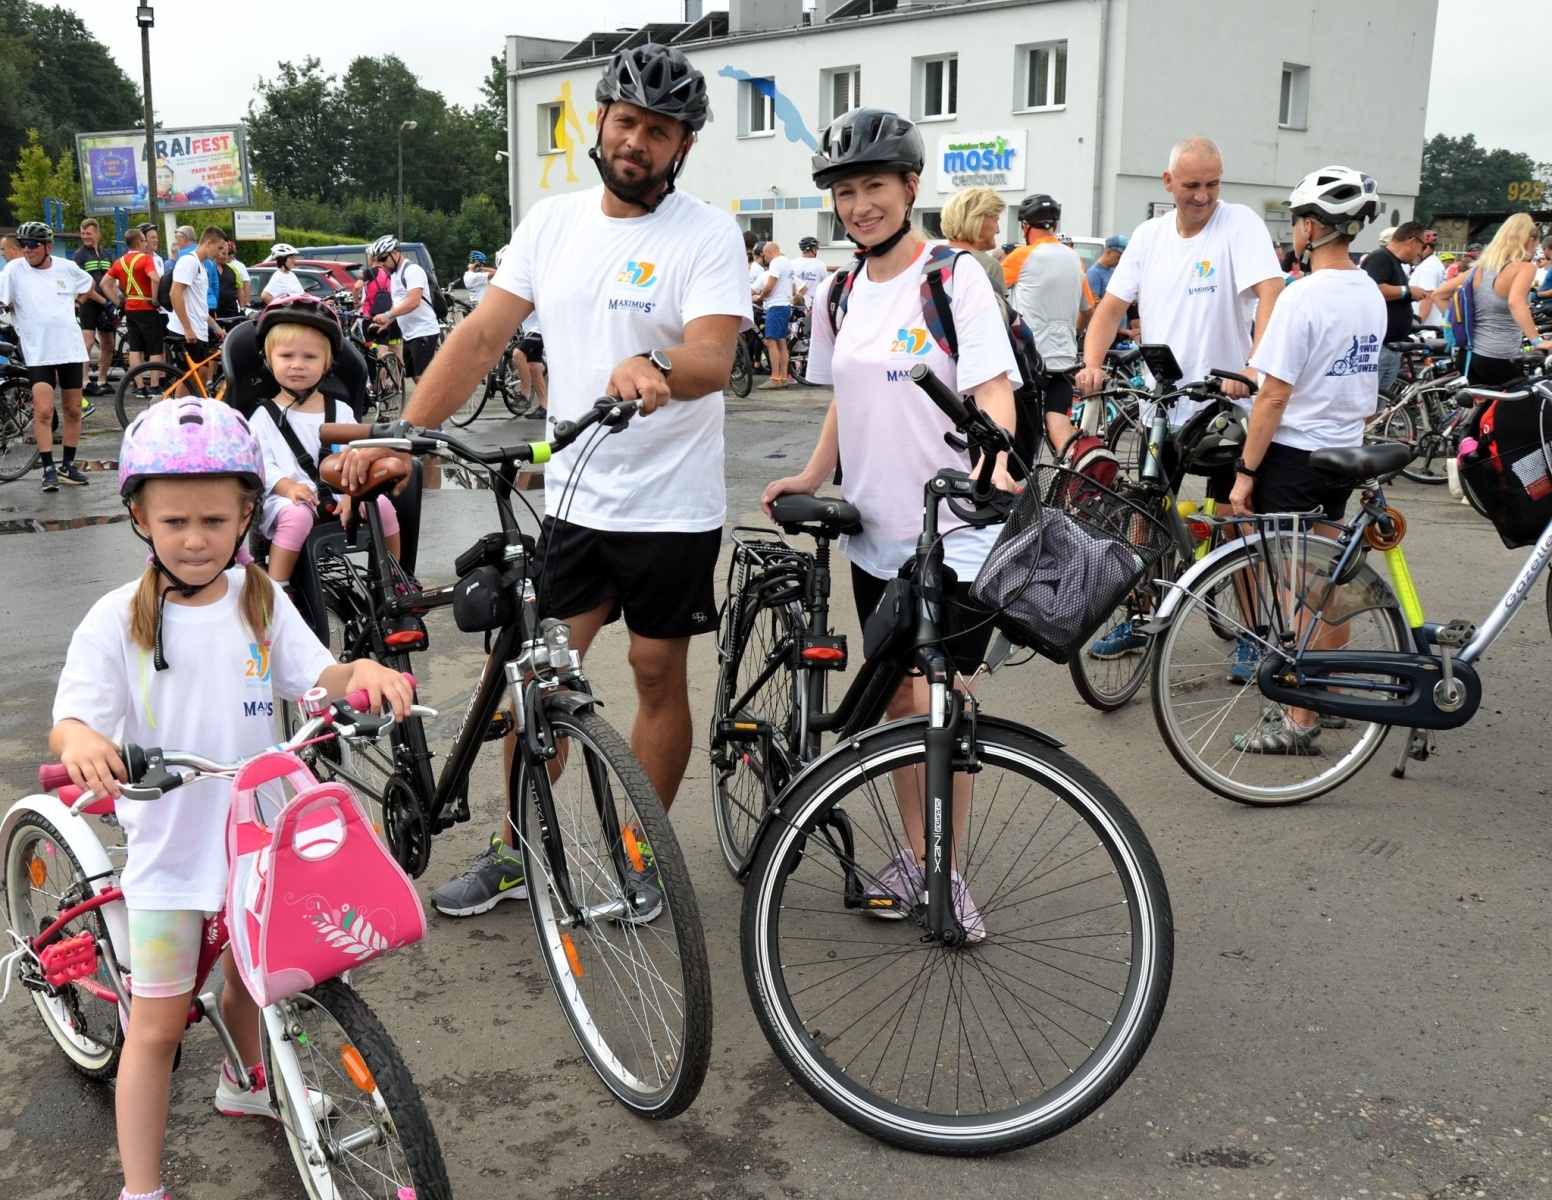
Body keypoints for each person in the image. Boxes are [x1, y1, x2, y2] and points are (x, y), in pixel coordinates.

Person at [339, 43, 748, 918]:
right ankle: (518, 847)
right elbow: (482, 337)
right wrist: (409, 436)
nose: (639, 141)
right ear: (600, 122)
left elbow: (715, 352)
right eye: (628, 121)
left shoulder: (705, 233)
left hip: (673, 505)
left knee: (652, 674)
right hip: (572, 501)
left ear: (683, 146)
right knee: (537, 678)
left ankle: (641, 850)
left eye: (661, 131)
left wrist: (659, 366)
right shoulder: (551, 223)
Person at [50, 396, 411, 1200]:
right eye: (174, 520)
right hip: (173, 856)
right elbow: (71, 722)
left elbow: (321, 679)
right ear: (140, 517)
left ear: (248, 513)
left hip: (260, 837)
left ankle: (247, 1078)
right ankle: (140, 1189)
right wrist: (83, 746)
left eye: (215, 520)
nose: (194, 537)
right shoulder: (116, 621)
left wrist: (366, 676)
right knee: (155, 1030)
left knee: (260, 975)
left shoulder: (260, 600)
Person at [761, 107, 1021, 938]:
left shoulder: (953, 276)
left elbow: (990, 387)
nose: (859, 204)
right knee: (899, 706)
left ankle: (947, 873)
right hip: (875, 532)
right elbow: (848, 394)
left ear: (911, 187)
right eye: (845, 191)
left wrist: (999, 461)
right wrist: (811, 472)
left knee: (943, 700)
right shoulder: (839, 290)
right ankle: (917, 856)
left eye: (874, 186)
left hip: (954, 530)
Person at [1224, 166, 1387, 752]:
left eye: (1295, 221)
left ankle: (1298, 721)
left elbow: (1273, 393)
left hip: (1294, 456)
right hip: (1343, 449)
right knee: (1327, 578)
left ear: (1311, 227)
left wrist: (1245, 473)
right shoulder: (1368, 290)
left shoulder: (1302, 298)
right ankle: (1328, 691)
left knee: (1297, 589)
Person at [1076, 135, 1284, 420]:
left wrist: (1254, 368)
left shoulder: (1239, 223)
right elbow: (1111, 310)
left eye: (1213, 184)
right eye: (1192, 185)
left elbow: (1272, 291)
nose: (1203, 196)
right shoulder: (1148, 235)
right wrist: (1091, 365)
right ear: (1168, 181)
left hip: (1221, 408)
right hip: (1158, 408)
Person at [246, 296, 402, 593]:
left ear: (327, 363)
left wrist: (352, 494)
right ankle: (278, 590)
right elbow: (262, 465)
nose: (297, 365)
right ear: (268, 360)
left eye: (309, 357)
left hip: (341, 493)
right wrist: (289, 488)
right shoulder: (262, 417)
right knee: (296, 516)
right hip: (287, 500)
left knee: (382, 505)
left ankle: (394, 577)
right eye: (286, 356)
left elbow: (356, 454)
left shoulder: (340, 412)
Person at [0, 221, 93, 489]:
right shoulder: (14, 269)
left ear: (48, 247)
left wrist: (77, 302)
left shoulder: (66, 267)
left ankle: (67, 465)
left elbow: (88, 284)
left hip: (70, 349)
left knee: (73, 410)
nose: (26, 250)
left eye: (32, 245)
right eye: (22, 245)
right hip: (38, 352)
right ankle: (48, 469)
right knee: (43, 410)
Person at [1007, 192, 1092, 455]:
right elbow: (1088, 309)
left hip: (1029, 363)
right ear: (1054, 226)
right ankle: (1074, 487)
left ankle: (1025, 489)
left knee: (1022, 434)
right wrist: (1072, 333)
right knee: (1061, 432)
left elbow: (991, 295)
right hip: (1063, 361)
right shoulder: (1073, 258)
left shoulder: (1020, 257)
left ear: (1025, 227)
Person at [1429, 212, 1551, 385]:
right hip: (1498, 356)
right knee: (1530, 403)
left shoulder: (1481, 268)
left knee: (1479, 409)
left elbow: (1439, 294)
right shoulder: (1524, 268)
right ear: (1530, 241)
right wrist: (1537, 341)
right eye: (1536, 246)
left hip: (1467, 355)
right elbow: (1515, 301)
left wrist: (1461, 326)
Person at [1360, 220, 1432, 392]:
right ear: (1412, 241)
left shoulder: (1394, 263)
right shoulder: (1380, 258)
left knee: (1380, 404)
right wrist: (1407, 291)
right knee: (1372, 401)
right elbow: (1374, 288)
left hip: (1390, 347)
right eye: (1422, 247)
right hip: (1380, 347)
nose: (1420, 253)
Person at [367, 235, 441, 382]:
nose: (381, 264)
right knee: (414, 375)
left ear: (395, 252)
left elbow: (414, 301)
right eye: (378, 260)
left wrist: (387, 314)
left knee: (422, 376)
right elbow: (399, 303)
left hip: (424, 330)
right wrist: (387, 322)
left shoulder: (412, 270)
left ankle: (439, 402)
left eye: (383, 259)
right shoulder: (395, 274)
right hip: (409, 333)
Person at [166, 227, 228, 392]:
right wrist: (187, 328)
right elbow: (175, 293)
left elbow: (199, 305)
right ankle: (175, 412)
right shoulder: (189, 262)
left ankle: (186, 409)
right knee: (191, 376)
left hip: (198, 329)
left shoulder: (202, 266)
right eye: (220, 248)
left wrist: (215, 327)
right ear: (209, 243)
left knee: (201, 374)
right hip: (186, 330)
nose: (221, 253)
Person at [107, 227, 164, 400]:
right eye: (145, 240)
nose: (147, 243)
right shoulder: (146, 259)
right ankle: (155, 386)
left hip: (130, 308)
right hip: (147, 308)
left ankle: (140, 387)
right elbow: (155, 278)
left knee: (135, 348)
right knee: (155, 348)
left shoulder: (120, 262)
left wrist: (119, 301)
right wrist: (155, 299)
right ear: (139, 242)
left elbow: (105, 283)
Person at [74, 217, 121, 398]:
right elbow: (82, 284)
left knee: (108, 343)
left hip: (107, 303)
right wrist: (103, 301)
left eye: (89, 233)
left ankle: (102, 381)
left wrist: (115, 300)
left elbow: (113, 280)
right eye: (83, 233)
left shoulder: (107, 254)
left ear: (97, 234)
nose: (85, 237)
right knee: (87, 342)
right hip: (89, 302)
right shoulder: (79, 255)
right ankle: (85, 382)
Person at [941, 186, 1009, 297]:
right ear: (977, 222)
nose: (998, 230)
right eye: (996, 221)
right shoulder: (989, 265)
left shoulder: (931, 258)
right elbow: (1000, 313)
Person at [754, 240, 795, 389]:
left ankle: (775, 378)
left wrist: (759, 297)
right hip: (785, 305)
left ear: (769, 252)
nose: (765, 259)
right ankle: (783, 377)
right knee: (782, 342)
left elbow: (770, 285)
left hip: (776, 305)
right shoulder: (787, 262)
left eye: (765, 256)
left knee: (770, 341)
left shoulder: (776, 262)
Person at [1086, 234, 1127, 302]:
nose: (1120, 261)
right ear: (1108, 252)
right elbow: (1093, 302)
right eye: (1118, 257)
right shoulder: (1094, 273)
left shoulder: (1114, 269)